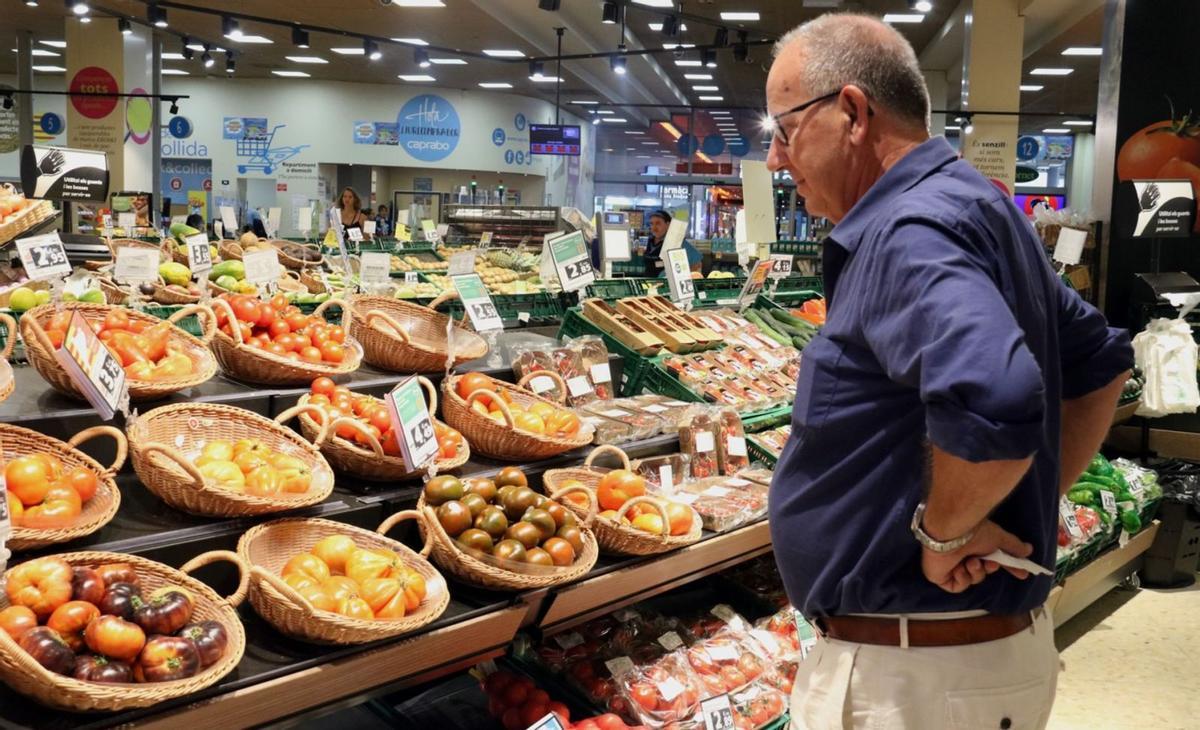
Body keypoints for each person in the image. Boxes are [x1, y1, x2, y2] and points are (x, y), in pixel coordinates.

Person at [763, 14, 1132, 729]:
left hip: (915, 681)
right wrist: (996, 501)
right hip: (954, 667)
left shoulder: (909, 227)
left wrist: (947, 533)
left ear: (851, 113)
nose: (778, 160)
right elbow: (1099, 364)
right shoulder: (976, 205)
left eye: (783, 129)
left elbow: (996, 399)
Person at [642, 210, 701, 277]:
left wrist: (686, 276)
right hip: (647, 283)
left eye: (658, 223)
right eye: (651, 224)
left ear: (668, 224)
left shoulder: (675, 242)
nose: (654, 228)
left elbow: (697, 262)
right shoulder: (650, 240)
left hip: (664, 284)